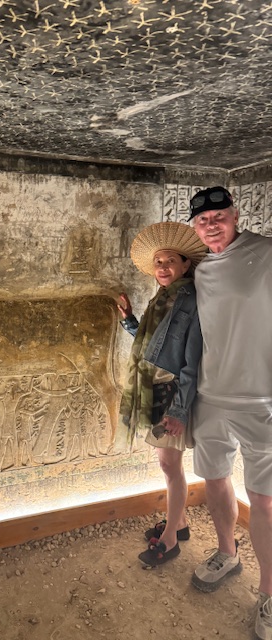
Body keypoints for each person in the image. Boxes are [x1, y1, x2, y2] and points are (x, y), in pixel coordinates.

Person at [188, 186, 272, 640]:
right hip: (211, 395)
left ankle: (270, 594)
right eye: (203, 220)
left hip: (263, 399)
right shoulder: (201, 269)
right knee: (215, 479)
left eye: (219, 216)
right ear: (195, 227)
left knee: (264, 500)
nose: (212, 225)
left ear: (236, 215)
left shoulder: (267, 253)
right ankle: (227, 553)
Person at [117, 221, 206, 567]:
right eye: (158, 262)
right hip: (156, 390)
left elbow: (191, 360)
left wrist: (179, 410)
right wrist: (130, 320)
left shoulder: (189, 300)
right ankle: (178, 523)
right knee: (167, 464)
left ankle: (170, 540)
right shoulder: (162, 299)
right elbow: (155, 346)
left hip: (172, 395)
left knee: (170, 465)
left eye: (170, 261)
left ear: (185, 265)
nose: (163, 267)